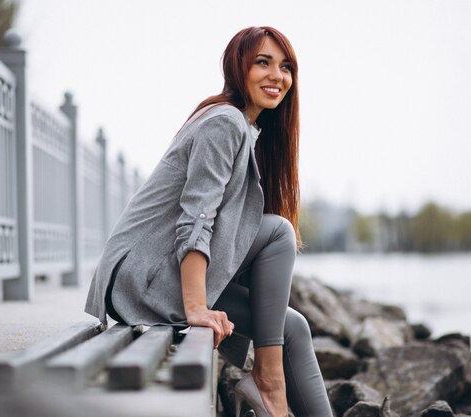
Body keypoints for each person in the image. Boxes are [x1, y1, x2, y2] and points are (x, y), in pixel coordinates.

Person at [84, 26, 333, 417]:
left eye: (286, 67)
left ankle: (271, 388)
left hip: (154, 278)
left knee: (294, 327)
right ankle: (269, 384)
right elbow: (196, 219)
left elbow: (225, 228)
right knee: (279, 233)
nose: (277, 76)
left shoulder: (247, 129)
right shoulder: (225, 122)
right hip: (141, 281)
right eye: (263, 63)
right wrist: (197, 307)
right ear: (238, 67)